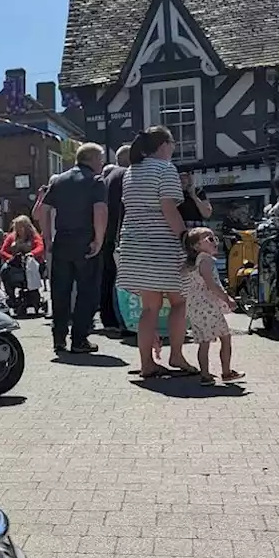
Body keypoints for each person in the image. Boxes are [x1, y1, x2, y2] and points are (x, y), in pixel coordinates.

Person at [117, 126, 194, 377]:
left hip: (135, 244)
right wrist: (185, 238)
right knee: (179, 301)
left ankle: (146, 363)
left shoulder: (130, 171)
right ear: (164, 145)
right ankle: (177, 355)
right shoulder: (165, 169)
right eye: (173, 142)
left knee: (149, 308)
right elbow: (169, 209)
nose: (174, 147)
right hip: (162, 244)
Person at [35, 142, 107, 354]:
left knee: (60, 292)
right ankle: (79, 340)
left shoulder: (58, 180)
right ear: (92, 159)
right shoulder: (96, 181)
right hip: (85, 241)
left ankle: (59, 339)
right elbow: (100, 211)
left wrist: (47, 237)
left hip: (62, 242)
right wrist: (99, 239)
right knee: (87, 292)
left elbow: (44, 210)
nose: (102, 164)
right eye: (100, 159)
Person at [181, 227, 243, 384]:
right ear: (196, 246)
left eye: (215, 238)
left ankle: (205, 375)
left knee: (204, 341)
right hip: (206, 306)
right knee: (226, 338)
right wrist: (227, 299)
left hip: (196, 306)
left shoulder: (195, 261)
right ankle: (226, 372)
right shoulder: (206, 260)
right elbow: (211, 284)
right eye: (209, 239)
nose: (215, 242)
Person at [100, 143, 132, 331]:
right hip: (120, 235)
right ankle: (123, 320)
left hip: (106, 234)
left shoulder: (107, 178)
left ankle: (109, 319)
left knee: (108, 277)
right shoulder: (125, 175)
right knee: (122, 280)